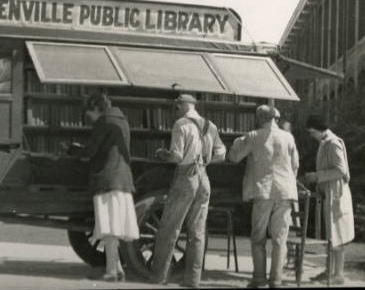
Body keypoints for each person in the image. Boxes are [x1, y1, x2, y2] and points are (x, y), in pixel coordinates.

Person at [150, 93, 226, 288]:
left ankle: (159, 277)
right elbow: (221, 153)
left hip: (186, 177)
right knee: (197, 232)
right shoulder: (210, 125)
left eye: (176, 107)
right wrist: (207, 160)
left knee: (169, 228)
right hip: (204, 178)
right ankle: (193, 281)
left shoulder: (181, 125)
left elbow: (176, 156)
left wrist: (161, 154)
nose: (174, 111)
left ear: (182, 106)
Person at [228, 105, 299, 288]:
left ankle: (259, 278)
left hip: (264, 190)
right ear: (275, 118)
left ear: (259, 118)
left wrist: (237, 141)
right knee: (279, 238)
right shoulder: (288, 137)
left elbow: (234, 157)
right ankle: (276, 280)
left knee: (258, 236)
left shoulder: (253, 136)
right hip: (285, 191)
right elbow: (295, 165)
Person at [80, 91, 139, 282]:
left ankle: (111, 271)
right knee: (114, 227)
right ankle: (118, 269)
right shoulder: (122, 120)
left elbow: (91, 150)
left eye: (90, 112)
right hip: (122, 179)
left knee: (109, 228)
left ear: (96, 108)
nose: (89, 117)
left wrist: (73, 149)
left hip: (107, 179)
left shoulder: (103, 122)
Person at [303, 114, 354, 286]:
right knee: (333, 235)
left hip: (337, 194)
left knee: (337, 235)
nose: (311, 135)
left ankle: (337, 273)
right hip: (331, 193)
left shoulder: (332, 143)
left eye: (311, 132)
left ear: (318, 129)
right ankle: (331, 271)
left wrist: (317, 176)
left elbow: (340, 170)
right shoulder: (325, 143)